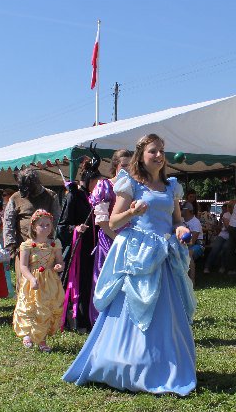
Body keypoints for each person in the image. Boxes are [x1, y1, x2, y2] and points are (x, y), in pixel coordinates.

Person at [63, 133, 197, 395]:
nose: (159, 155)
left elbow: (176, 220)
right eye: (153, 151)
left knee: (166, 313)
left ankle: (163, 364)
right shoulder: (131, 184)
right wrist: (132, 212)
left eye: (161, 150)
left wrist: (181, 229)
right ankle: (128, 362)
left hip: (164, 255)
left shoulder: (170, 186)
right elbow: (113, 222)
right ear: (141, 155)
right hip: (138, 255)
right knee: (133, 309)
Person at [87, 148, 133, 322]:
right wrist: (117, 239)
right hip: (110, 239)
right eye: (124, 165)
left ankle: (125, 321)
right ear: (115, 165)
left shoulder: (135, 186)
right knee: (108, 280)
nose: (128, 169)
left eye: (131, 165)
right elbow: (102, 221)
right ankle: (103, 321)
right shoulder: (105, 186)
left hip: (131, 239)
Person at [12, 209, 64, 352]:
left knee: (45, 309)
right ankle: (28, 334)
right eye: (41, 225)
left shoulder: (55, 243)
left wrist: (59, 266)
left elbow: (60, 262)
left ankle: (42, 340)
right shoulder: (27, 245)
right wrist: (31, 279)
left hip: (49, 281)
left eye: (48, 225)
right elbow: (23, 266)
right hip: (33, 280)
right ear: (34, 227)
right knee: (30, 307)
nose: (45, 228)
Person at [59, 156, 99, 332]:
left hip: (95, 248)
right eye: (96, 182)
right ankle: (77, 320)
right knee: (80, 284)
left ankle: (91, 318)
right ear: (88, 180)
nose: (98, 186)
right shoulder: (73, 196)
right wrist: (75, 229)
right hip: (79, 250)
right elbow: (61, 227)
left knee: (93, 283)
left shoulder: (96, 197)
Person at [3, 167, 60, 287]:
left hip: (46, 249)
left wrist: (52, 242)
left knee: (45, 284)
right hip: (23, 247)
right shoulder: (15, 197)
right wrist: (10, 244)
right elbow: (8, 221)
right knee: (23, 284)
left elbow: (56, 221)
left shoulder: (50, 196)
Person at [203, 202, 232, 274]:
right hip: (223, 234)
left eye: (225, 209)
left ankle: (222, 266)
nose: (224, 210)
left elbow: (226, 228)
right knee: (215, 248)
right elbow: (222, 228)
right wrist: (218, 224)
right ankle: (207, 267)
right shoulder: (225, 215)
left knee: (225, 247)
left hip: (231, 235)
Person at [182, 203, 204, 284]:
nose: (180, 210)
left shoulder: (195, 222)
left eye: (182, 208)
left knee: (188, 253)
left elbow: (192, 242)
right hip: (184, 244)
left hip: (198, 245)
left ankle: (192, 281)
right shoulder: (181, 220)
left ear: (188, 210)